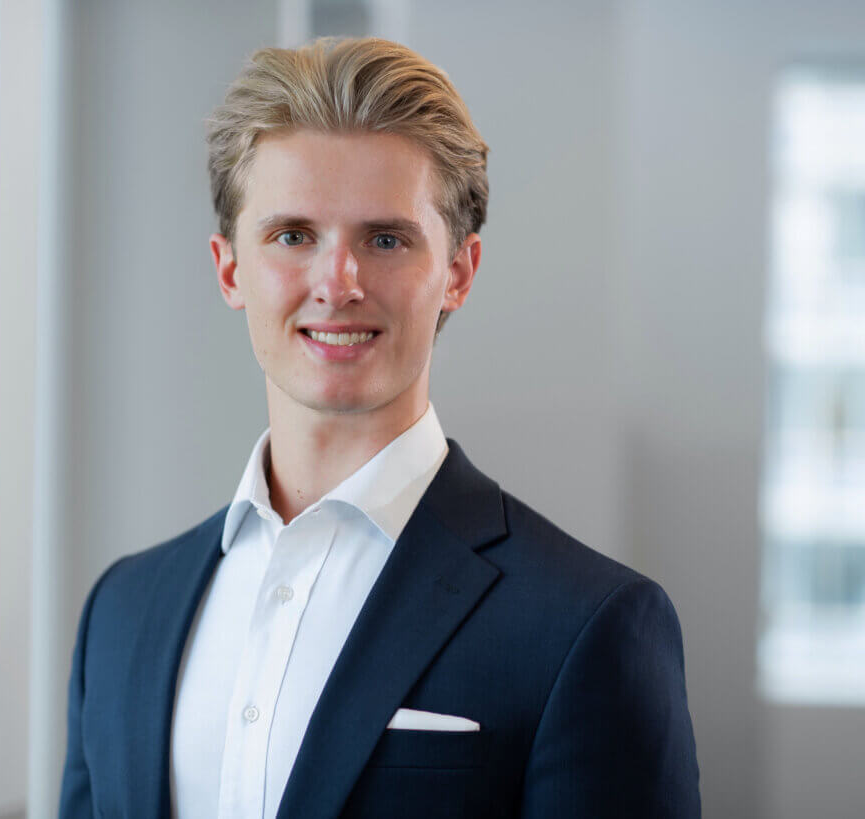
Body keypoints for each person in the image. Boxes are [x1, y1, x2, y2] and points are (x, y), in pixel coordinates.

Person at [58, 36, 700, 819]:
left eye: (386, 239)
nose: (339, 283)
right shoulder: (120, 612)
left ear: (459, 271)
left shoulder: (587, 625)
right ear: (230, 269)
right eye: (293, 235)